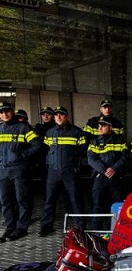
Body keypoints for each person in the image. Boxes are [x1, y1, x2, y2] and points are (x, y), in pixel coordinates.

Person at [39, 106, 87, 236]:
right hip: (53, 172)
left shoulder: (76, 132)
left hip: (70, 172)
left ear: (67, 116)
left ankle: (81, 226)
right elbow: (46, 151)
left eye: (61, 114)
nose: (58, 117)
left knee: (75, 199)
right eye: (56, 115)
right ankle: (46, 227)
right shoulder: (49, 133)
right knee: (49, 200)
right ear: (54, 117)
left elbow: (83, 152)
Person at [0, 102, 42, 242]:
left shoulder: (23, 128)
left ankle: (21, 228)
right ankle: (10, 227)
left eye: (7, 111)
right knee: (5, 200)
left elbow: (37, 145)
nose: (4, 114)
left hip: (18, 169)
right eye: (1, 112)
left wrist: (23, 156)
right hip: (3, 170)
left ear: (11, 112)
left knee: (21, 199)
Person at [87, 115, 128, 230]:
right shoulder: (94, 141)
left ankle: (118, 229)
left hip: (116, 176)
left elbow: (125, 158)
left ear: (110, 127)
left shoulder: (120, 141)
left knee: (118, 204)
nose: (100, 128)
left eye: (103, 126)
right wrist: (104, 170)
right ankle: (97, 229)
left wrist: (114, 168)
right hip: (100, 175)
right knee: (97, 203)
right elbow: (91, 159)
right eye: (99, 126)